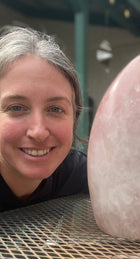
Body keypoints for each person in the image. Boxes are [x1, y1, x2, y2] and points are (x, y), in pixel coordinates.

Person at [0, 26, 89, 212]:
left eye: (55, 109)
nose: (38, 132)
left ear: (74, 116)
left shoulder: (81, 174)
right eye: (16, 108)